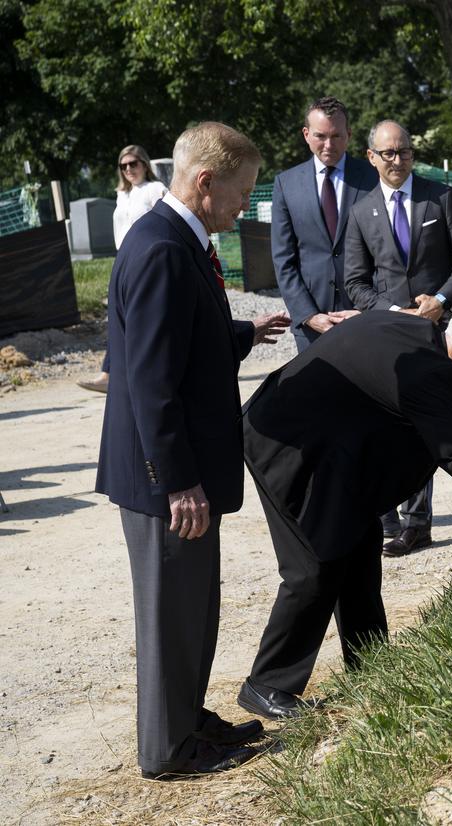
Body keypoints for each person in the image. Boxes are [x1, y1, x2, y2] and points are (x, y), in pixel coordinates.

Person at [236, 309, 452, 720]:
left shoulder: (424, 335)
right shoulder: (431, 373)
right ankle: (267, 684)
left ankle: (371, 667)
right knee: (315, 565)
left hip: (333, 453)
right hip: (287, 445)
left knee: (359, 550)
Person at [95, 122, 291, 780]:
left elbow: (184, 335)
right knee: (170, 612)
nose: (245, 206)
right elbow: (151, 383)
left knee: (192, 606)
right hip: (163, 480)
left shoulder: (179, 238)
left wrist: (243, 332)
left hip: (176, 473)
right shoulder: (160, 249)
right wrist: (178, 481)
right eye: (241, 193)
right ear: (205, 183)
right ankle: (169, 749)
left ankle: (187, 718)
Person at [344, 119, 452, 557]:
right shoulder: (360, 212)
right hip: (399, 340)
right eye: (388, 153)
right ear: (371, 157)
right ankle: (416, 524)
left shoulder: (441, 197)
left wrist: (443, 300)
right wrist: (396, 314)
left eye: (405, 152)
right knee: (410, 429)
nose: (398, 160)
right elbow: (356, 282)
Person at [271, 96, 379, 352]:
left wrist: (370, 307)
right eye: (320, 136)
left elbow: (385, 251)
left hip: (366, 316)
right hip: (312, 326)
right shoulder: (286, 184)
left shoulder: (373, 178)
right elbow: (283, 259)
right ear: (306, 134)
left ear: (349, 135)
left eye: (337, 136)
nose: (329, 145)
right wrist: (308, 315)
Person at [77, 145, 168, 394]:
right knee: (120, 317)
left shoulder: (156, 190)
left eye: (133, 163)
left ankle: (119, 374)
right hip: (123, 260)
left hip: (146, 259)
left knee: (142, 316)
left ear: (144, 164)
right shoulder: (122, 194)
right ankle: (111, 374)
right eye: (123, 165)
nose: (129, 169)